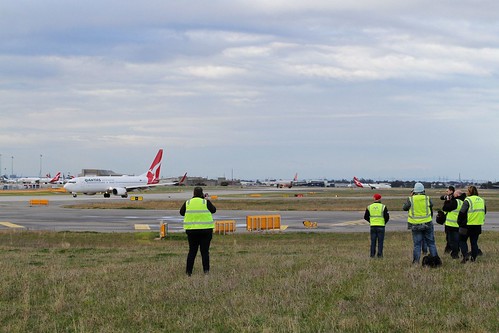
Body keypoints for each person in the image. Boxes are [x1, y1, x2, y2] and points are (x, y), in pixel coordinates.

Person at [179, 187, 217, 276]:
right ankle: (206, 271)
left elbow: (181, 213)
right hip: (205, 230)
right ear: (202, 193)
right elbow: (214, 210)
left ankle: (189, 272)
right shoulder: (205, 202)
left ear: (193, 193)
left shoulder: (188, 202)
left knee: (192, 251)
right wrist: (206, 199)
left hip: (192, 230)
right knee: (204, 252)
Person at [403, 182, 440, 265]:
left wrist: (411, 196)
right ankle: (435, 261)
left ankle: (416, 262)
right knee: (431, 243)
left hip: (415, 224)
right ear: (423, 190)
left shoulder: (411, 199)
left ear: (414, 191)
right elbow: (431, 205)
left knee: (417, 245)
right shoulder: (427, 198)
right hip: (427, 223)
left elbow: (404, 208)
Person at [457, 185, 486, 263]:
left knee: (462, 241)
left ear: (469, 192)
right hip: (477, 225)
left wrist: (459, 222)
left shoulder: (468, 200)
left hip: (466, 225)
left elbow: (462, 212)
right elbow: (484, 211)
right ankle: (473, 259)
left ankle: (465, 255)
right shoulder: (481, 200)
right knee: (474, 242)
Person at [364, 193, 389, 258]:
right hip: (381, 226)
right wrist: (384, 222)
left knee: (373, 242)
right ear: (380, 198)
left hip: (373, 226)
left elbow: (365, 217)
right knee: (380, 242)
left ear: (374, 198)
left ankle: (372, 255)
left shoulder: (369, 207)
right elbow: (387, 217)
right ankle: (380, 255)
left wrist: (371, 221)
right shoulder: (383, 207)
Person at [441, 189, 465, 259]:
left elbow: (445, 208)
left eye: (454, 194)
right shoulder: (463, 202)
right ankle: (458, 252)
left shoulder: (455, 202)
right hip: (459, 224)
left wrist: (447, 201)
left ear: (457, 195)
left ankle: (455, 254)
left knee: (452, 241)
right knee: (458, 241)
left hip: (452, 225)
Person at [440, 185, 455, 253]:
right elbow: (441, 197)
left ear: (451, 191)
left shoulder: (453, 199)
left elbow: (446, 207)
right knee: (449, 237)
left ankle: (449, 250)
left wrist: (447, 200)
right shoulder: (449, 197)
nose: (446, 192)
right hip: (448, 220)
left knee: (450, 238)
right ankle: (449, 249)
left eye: (447, 191)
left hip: (451, 221)